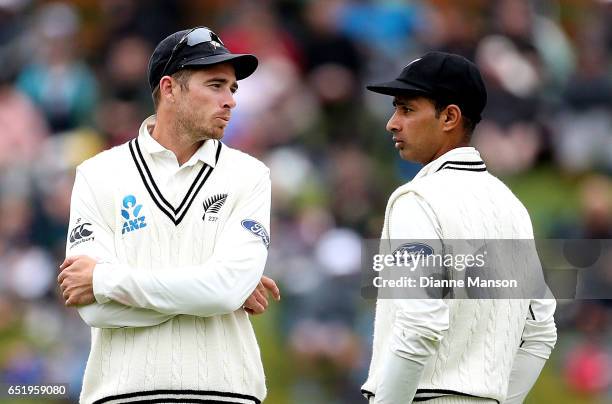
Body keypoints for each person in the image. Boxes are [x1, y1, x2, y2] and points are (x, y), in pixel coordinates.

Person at [57, 27, 279, 404]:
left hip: (226, 394)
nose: (231, 101)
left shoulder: (250, 175)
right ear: (170, 89)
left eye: (233, 89)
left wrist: (105, 279)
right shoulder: (98, 174)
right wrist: (208, 293)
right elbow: (94, 309)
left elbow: (225, 289)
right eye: (215, 85)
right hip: (121, 394)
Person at [361, 52, 557, 404]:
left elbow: (420, 324)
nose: (392, 123)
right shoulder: (511, 206)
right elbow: (541, 332)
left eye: (406, 109)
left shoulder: (417, 199)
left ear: (449, 117)